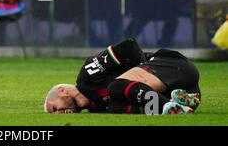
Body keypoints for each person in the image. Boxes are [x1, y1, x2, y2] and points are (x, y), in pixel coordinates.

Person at [44, 38, 201, 115]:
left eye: (54, 108)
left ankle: (166, 106)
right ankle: (179, 102)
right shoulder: (97, 107)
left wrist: (141, 68)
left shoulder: (88, 73)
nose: (59, 112)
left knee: (116, 86)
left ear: (62, 90)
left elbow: (129, 46)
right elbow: (138, 107)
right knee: (119, 102)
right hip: (184, 86)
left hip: (170, 64)